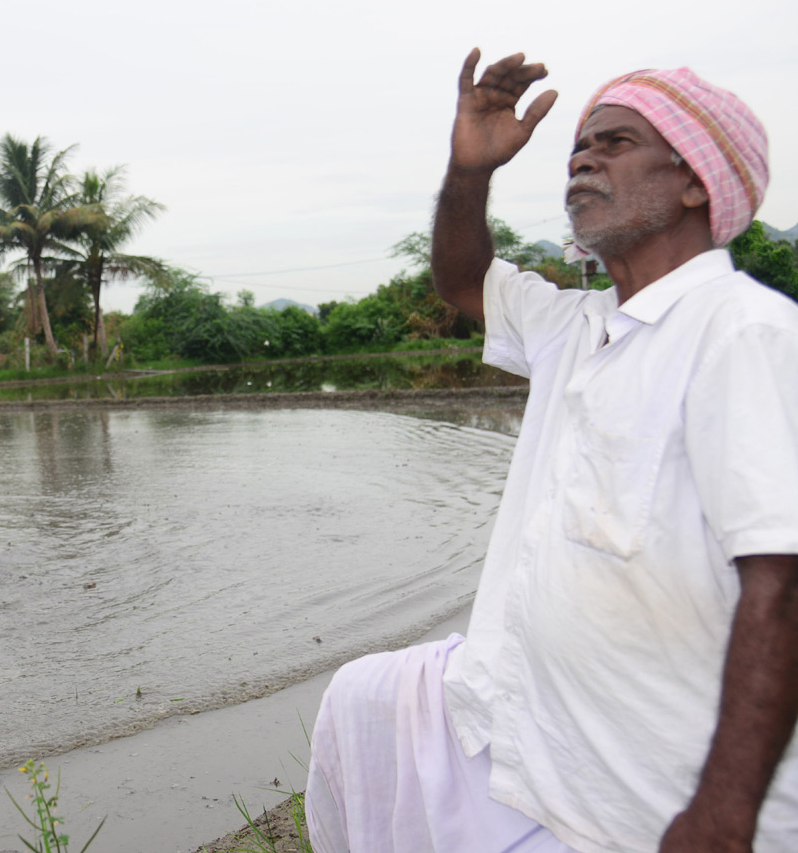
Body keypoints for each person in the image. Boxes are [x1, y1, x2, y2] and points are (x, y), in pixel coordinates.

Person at [305, 49, 798, 853]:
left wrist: (722, 812)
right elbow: (465, 279)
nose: (583, 156)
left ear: (695, 181)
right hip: (533, 748)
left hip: (655, 794)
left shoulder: (742, 332)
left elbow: (782, 582)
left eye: (616, 140)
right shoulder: (576, 328)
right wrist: (469, 170)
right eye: (578, 144)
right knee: (368, 697)